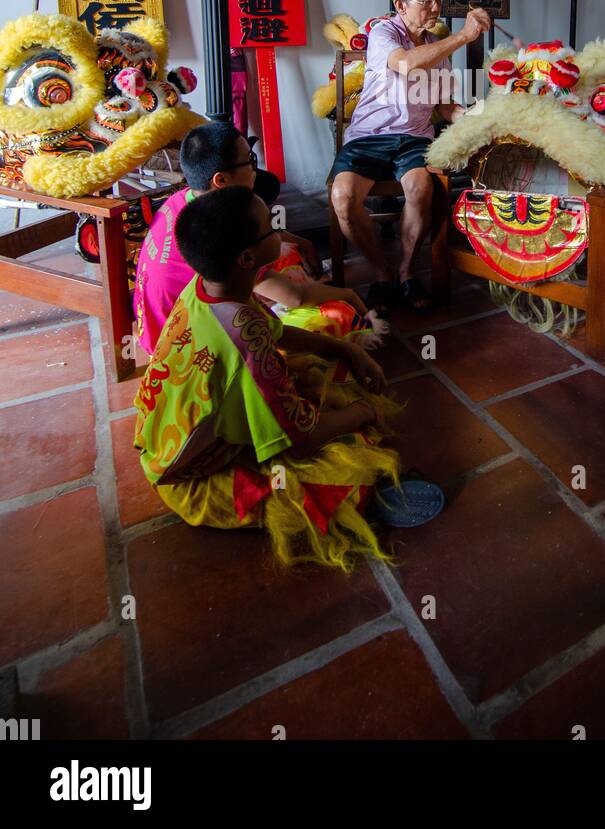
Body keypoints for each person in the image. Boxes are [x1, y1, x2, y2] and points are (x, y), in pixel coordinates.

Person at [134, 186, 442, 570]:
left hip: (169, 439)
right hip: (192, 478)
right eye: (270, 228)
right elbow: (301, 440)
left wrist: (345, 349)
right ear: (247, 258)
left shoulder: (205, 291)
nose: (280, 232)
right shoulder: (243, 341)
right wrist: (363, 413)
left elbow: (272, 331)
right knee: (348, 468)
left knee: (325, 364)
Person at [133, 121, 370, 365]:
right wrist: (348, 294)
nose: (255, 170)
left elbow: (266, 238)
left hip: (157, 328)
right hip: (184, 352)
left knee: (284, 253)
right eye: (249, 161)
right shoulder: (224, 231)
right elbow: (294, 297)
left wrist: (298, 240)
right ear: (221, 180)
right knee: (337, 317)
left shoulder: (184, 201)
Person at [329, 0, 491, 313]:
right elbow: (405, 64)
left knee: (421, 189)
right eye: (426, 0)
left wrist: (478, 119)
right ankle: (382, 271)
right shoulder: (384, 34)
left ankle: (405, 273)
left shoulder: (437, 47)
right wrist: (463, 36)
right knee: (343, 198)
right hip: (368, 138)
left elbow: (447, 106)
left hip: (414, 138)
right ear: (400, 6)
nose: (435, 8)